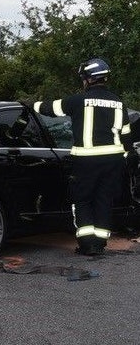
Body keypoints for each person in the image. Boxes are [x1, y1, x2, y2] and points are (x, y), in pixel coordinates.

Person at [34, 58, 132, 256]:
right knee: (104, 199)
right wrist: (126, 158)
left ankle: (88, 245)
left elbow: (49, 109)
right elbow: (127, 135)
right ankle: (100, 243)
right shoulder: (119, 104)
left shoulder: (78, 101)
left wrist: (31, 105)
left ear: (87, 79)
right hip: (113, 160)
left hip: (86, 161)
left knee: (83, 200)